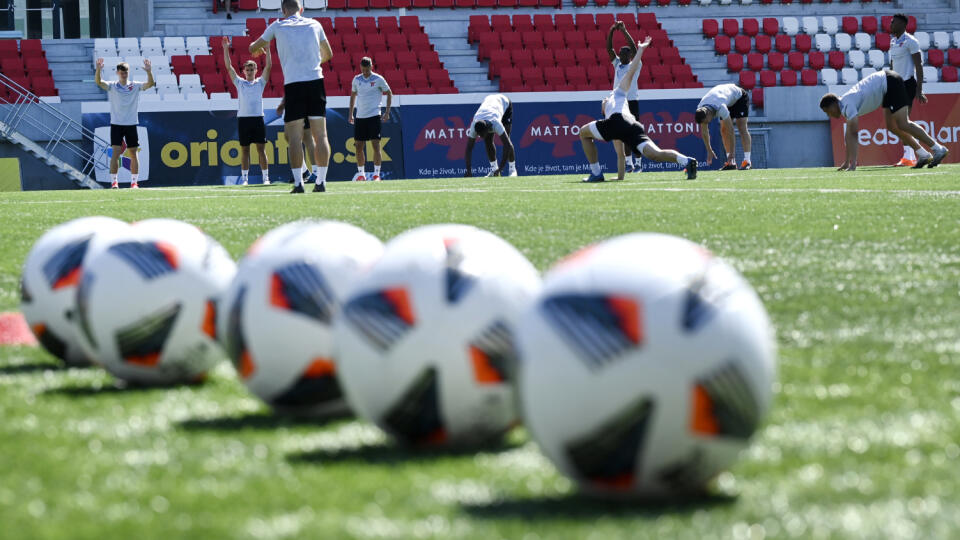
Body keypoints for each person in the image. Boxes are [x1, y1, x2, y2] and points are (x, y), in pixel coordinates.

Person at [579, 37, 697, 182]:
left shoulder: (618, 92)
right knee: (656, 154)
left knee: (583, 133)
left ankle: (596, 173)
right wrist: (620, 178)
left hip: (619, 120)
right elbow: (620, 156)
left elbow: (631, 70)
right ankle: (687, 161)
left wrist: (640, 50)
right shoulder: (618, 103)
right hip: (632, 125)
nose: (603, 102)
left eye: (603, 102)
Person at [250, 0, 332, 194]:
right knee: (320, 135)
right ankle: (321, 182)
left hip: (294, 85)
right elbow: (328, 54)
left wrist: (258, 49)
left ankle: (298, 184)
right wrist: (311, 60)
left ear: (283, 10)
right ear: (301, 10)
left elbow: (252, 47)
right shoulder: (315, 24)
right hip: (315, 82)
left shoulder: (278, 24)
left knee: (294, 138)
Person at [819, 69, 948, 171]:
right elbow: (848, 136)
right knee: (892, 127)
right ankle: (923, 154)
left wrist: (853, 164)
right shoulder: (844, 105)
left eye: (827, 111)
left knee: (903, 123)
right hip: (886, 85)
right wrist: (847, 163)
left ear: (832, 104)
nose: (829, 115)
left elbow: (853, 134)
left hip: (889, 81)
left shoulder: (847, 104)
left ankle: (938, 148)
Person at [94, 58, 155, 189]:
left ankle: (134, 183)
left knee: (133, 153)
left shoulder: (135, 85)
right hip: (116, 124)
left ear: (128, 72)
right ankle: (114, 182)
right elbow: (99, 82)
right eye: (121, 72)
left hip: (131, 124)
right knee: (116, 152)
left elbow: (150, 84)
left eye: (125, 72)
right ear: (117, 73)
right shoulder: (112, 85)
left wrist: (149, 72)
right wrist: (98, 70)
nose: (124, 74)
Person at [223, 37, 271, 186]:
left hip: (258, 118)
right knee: (244, 151)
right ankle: (244, 179)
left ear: (256, 71)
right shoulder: (240, 83)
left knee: (261, 150)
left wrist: (268, 49)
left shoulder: (260, 82)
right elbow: (229, 67)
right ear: (244, 71)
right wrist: (225, 49)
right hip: (243, 119)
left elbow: (268, 67)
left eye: (252, 69)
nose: (250, 71)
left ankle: (265, 178)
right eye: (247, 69)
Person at [888, 13, 926, 167]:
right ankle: (909, 155)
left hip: (908, 84)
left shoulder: (911, 41)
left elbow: (918, 66)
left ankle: (910, 156)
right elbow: (893, 64)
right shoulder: (893, 41)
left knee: (903, 122)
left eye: (894, 22)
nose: (891, 24)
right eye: (891, 22)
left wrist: (919, 90)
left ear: (903, 25)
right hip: (896, 85)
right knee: (900, 122)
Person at [606, 21, 642, 173]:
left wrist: (624, 30)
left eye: (625, 53)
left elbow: (634, 47)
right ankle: (629, 163)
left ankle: (639, 163)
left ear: (630, 56)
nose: (621, 55)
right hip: (619, 102)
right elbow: (609, 49)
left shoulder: (635, 65)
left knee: (635, 132)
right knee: (622, 133)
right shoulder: (617, 65)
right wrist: (612, 31)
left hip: (632, 102)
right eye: (620, 53)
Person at [349, 57, 392, 182]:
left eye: (367, 70)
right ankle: (361, 174)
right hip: (360, 117)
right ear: (360, 68)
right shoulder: (356, 79)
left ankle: (376, 174)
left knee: (376, 145)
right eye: (363, 70)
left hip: (374, 116)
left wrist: (387, 112)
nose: (365, 73)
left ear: (371, 67)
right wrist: (351, 114)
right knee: (358, 146)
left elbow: (389, 93)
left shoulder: (379, 79)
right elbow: (353, 96)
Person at [695, 83, 752, 170]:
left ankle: (747, 161)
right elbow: (704, 132)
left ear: (708, 114)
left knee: (741, 127)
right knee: (723, 130)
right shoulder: (700, 108)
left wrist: (733, 153)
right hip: (726, 99)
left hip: (739, 98)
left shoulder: (720, 108)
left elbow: (731, 130)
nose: (706, 124)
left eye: (706, 121)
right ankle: (731, 163)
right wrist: (709, 150)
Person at [464, 94, 517, 177]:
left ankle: (512, 169)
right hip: (489, 101)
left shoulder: (496, 123)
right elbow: (469, 148)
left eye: (482, 134)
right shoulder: (474, 124)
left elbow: (507, 145)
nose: (480, 137)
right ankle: (494, 169)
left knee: (507, 139)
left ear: (487, 129)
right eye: (479, 135)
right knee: (487, 140)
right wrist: (468, 170)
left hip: (504, 103)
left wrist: (501, 169)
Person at [277, 96, 316, 184]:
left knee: (308, 137)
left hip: (304, 99)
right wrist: (284, 102)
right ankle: (304, 172)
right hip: (291, 100)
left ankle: (316, 173)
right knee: (290, 138)